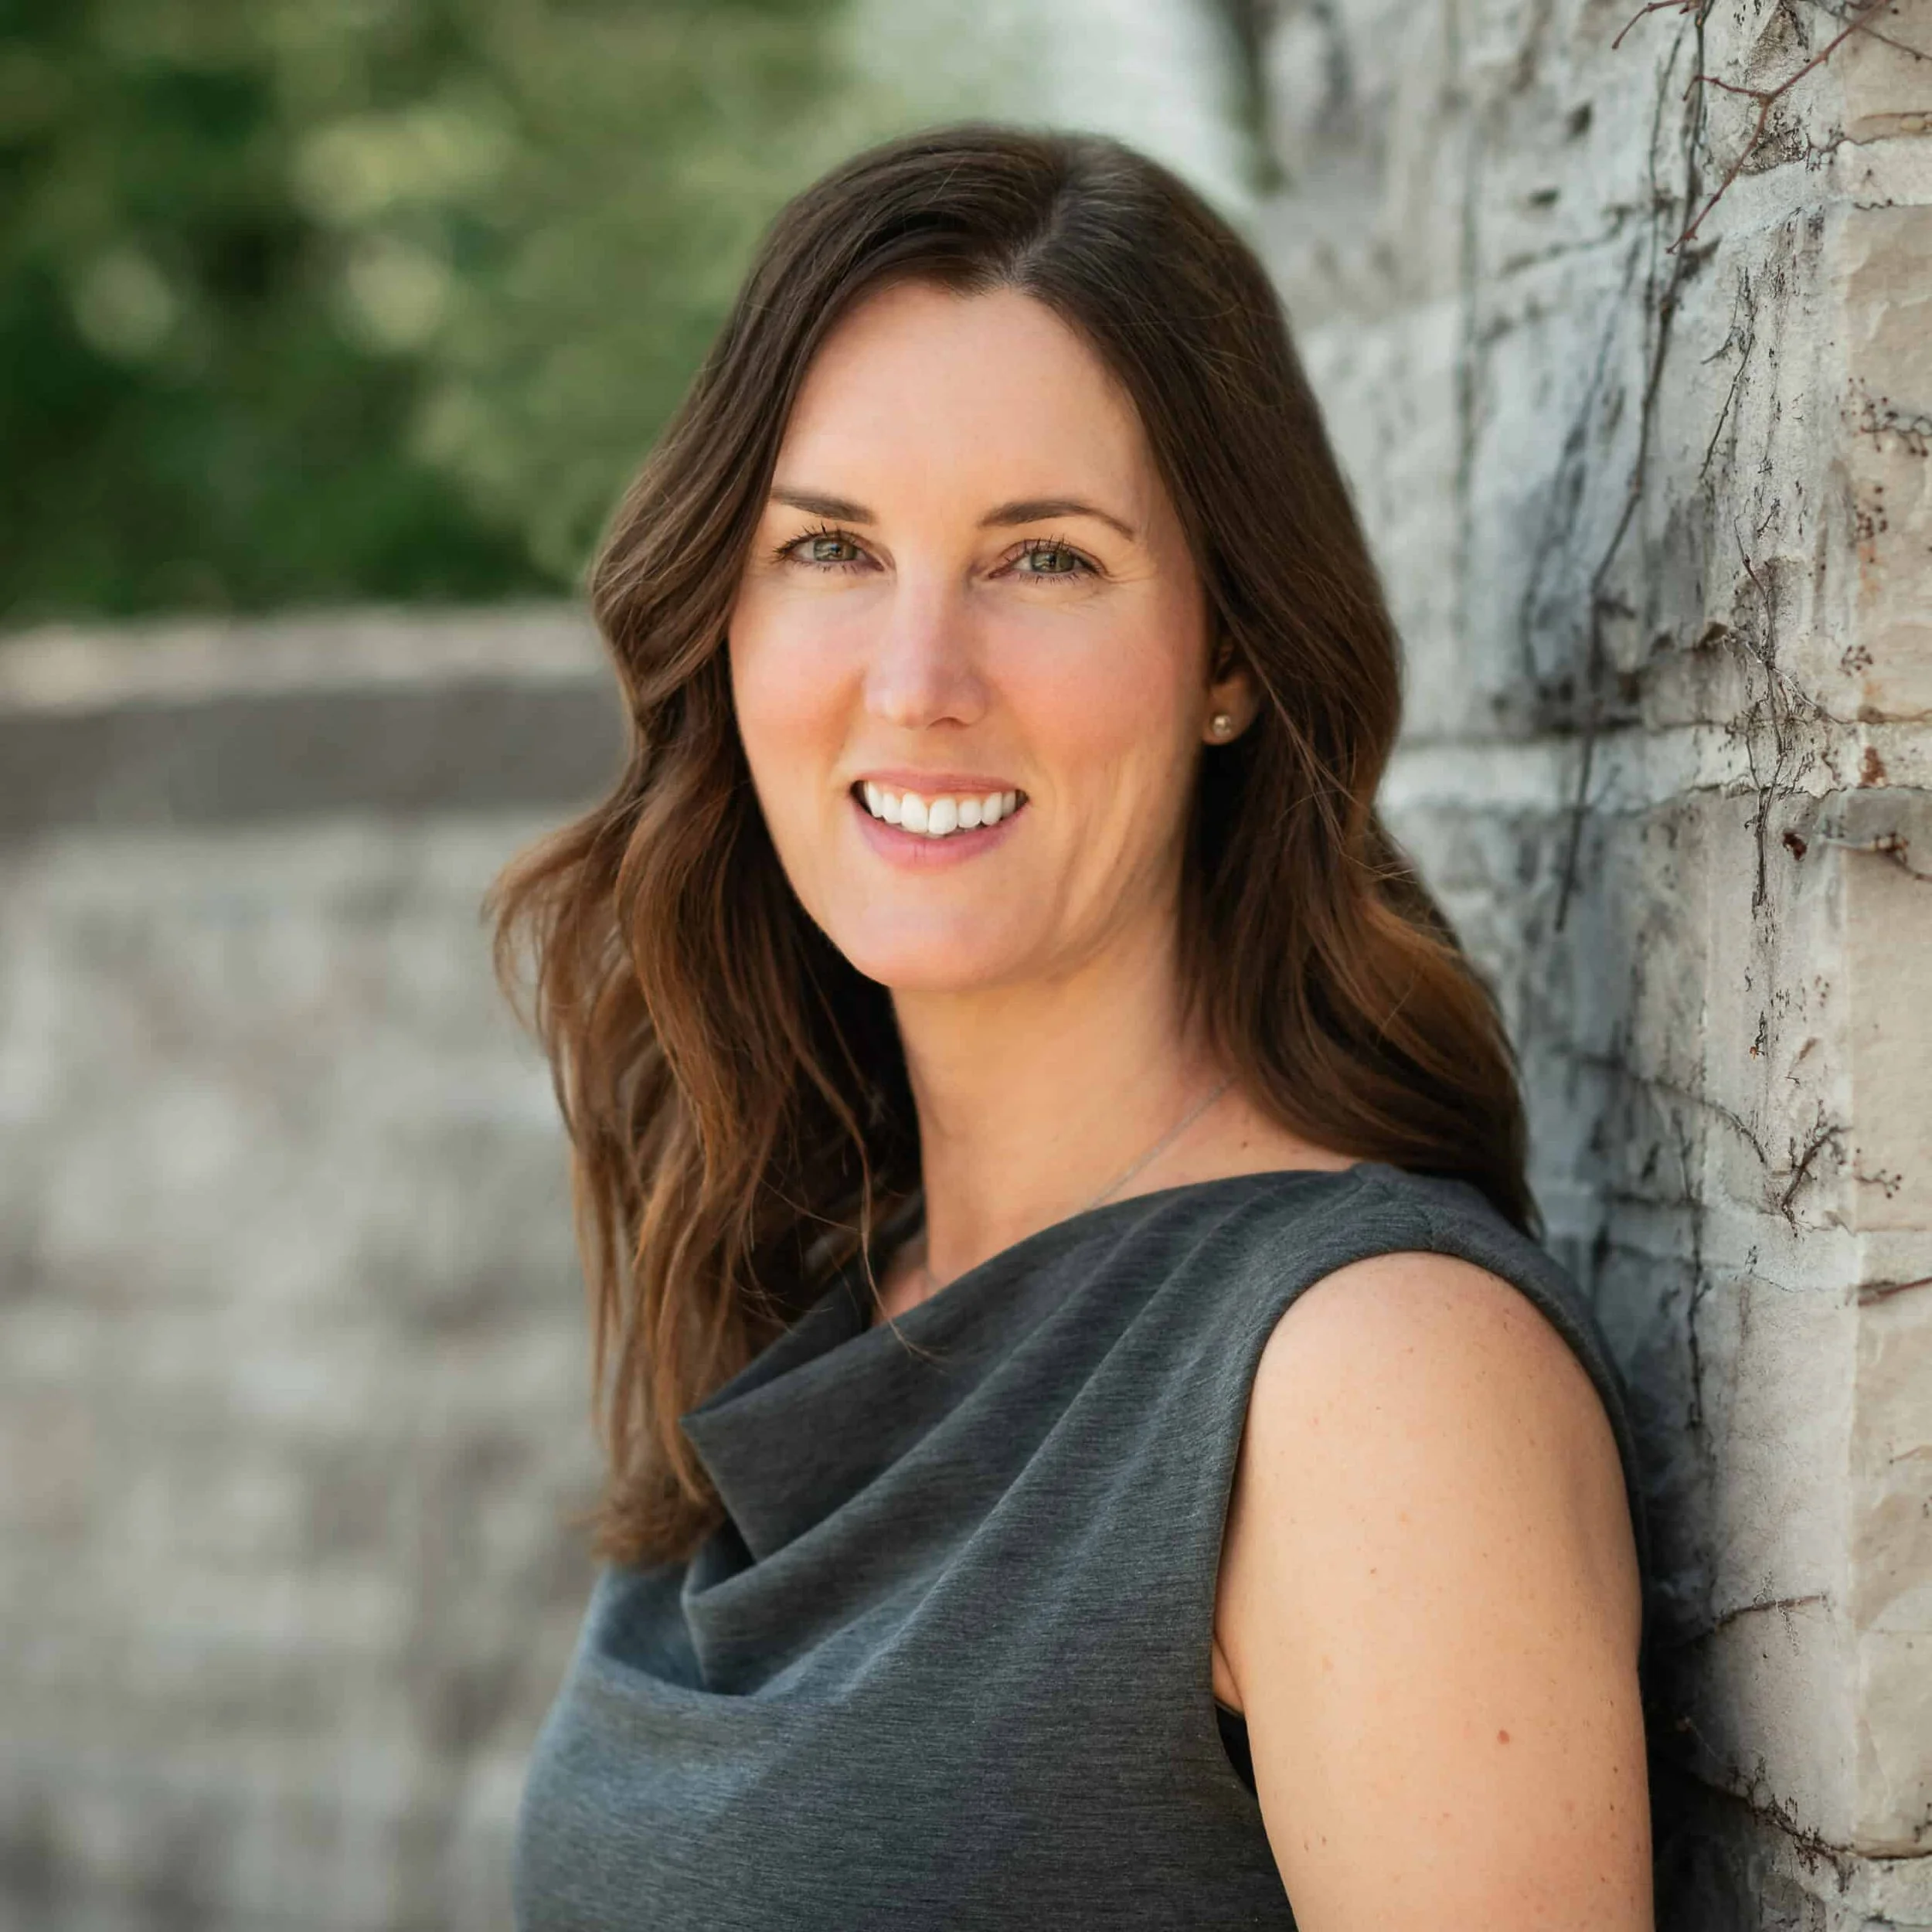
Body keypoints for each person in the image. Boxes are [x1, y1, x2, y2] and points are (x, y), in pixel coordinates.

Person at [498, 124, 1650, 1930]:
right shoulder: (825, 1274)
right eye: (828, 546)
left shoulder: (1366, 1381)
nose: (917, 678)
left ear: (1227, 658)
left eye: (1041, 559)